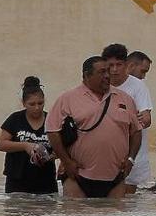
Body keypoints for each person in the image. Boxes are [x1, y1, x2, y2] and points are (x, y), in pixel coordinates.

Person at [46, 56, 142, 199]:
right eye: (102, 72)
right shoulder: (67, 99)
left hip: (115, 177)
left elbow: (136, 132)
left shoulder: (124, 98)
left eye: (108, 72)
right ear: (86, 75)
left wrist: (130, 160)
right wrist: (66, 161)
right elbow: (52, 131)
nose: (107, 76)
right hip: (77, 176)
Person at [103, 43, 154, 193]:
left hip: (133, 152)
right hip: (105, 152)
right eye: (110, 65)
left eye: (118, 65)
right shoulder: (99, 85)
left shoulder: (138, 87)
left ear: (126, 64)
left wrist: (131, 120)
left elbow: (146, 119)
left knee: (128, 199)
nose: (114, 69)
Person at [0, 76, 58, 194]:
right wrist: (26, 146)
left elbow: (62, 147)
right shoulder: (15, 119)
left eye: (40, 103)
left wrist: (51, 156)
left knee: (48, 211)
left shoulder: (51, 120)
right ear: (24, 103)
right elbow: (1, 144)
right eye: (32, 104)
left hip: (46, 181)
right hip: (17, 180)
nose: (37, 108)